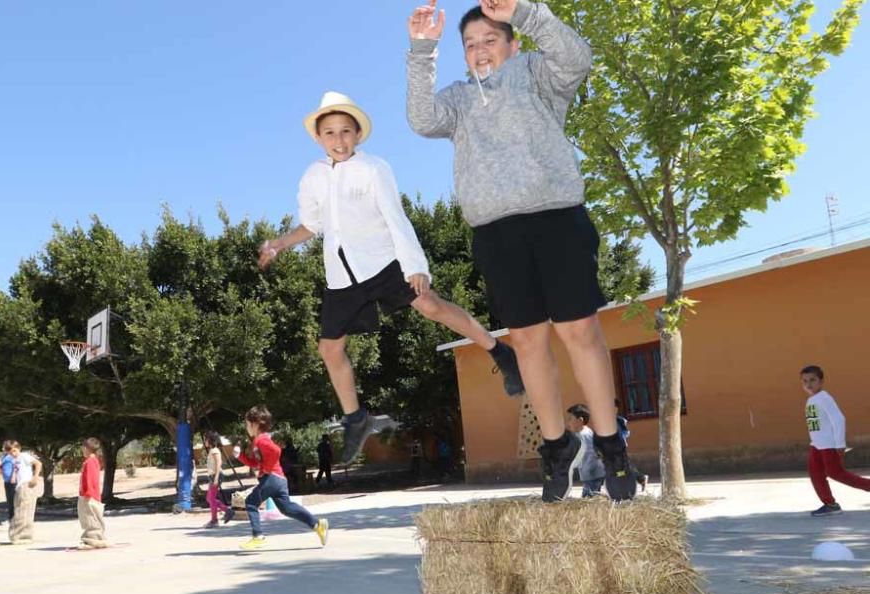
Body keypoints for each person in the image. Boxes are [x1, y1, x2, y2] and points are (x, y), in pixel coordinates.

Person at [405, 1, 635, 502]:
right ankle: (556, 446)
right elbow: (421, 120)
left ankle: (612, 445)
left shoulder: (537, 74)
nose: (480, 50)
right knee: (527, 341)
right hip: (496, 233)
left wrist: (527, 12)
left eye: (490, 39)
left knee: (579, 330)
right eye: (470, 44)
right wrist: (423, 49)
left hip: (556, 217)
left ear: (512, 43)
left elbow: (577, 57)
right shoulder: (460, 101)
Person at [258, 90, 524, 466]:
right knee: (329, 349)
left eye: (346, 131)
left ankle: (500, 351)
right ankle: (356, 418)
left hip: (383, 262)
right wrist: (280, 244)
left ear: (358, 135)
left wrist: (416, 265)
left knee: (431, 305)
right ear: (319, 138)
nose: (339, 140)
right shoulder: (312, 176)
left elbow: (395, 216)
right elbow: (311, 225)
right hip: (342, 275)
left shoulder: (374, 168)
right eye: (330, 133)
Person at [223, 406, 329, 550]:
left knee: (250, 502)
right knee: (287, 508)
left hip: (271, 478)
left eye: (247, 424)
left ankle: (258, 536)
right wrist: (240, 456)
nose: (246, 427)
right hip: (279, 479)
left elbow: (276, 451)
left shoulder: (261, 440)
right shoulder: (259, 441)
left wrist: (267, 468)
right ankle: (317, 525)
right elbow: (255, 463)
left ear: (255, 424)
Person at [801, 365, 870, 516]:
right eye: (805, 381)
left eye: (813, 380)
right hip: (816, 445)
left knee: (837, 473)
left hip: (829, 445)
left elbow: (839, 420)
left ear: (821, 381)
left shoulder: (824, 398)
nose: (808, 384)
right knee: (815, 473)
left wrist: (840, 444)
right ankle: (830, 504)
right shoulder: (812, 400)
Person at [565, 404, 605, 498]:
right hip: (590, 473)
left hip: (592, 473)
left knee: (589, 497)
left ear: (580, 421)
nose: (568, 422)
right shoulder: (583, 433)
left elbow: (591, 454)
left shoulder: (584, 435)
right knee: (591, 496)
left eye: (571, 419)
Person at [6, 441, 42, 545]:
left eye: (14, 450)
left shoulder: (24, 456)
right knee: (19, 510)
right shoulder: (15, 460)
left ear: (18, 449)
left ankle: (24, 536)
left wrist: (35, 477)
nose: (13, 453)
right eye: (10, 452)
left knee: (26, 511)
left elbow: (38, 463)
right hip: (19, 486)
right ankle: (17, 534)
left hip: (27, 484)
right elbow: (17, 472)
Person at [77, 437, 108, 549]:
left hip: (89, 495)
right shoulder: (93, 460)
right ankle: (96, 538)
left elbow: (90, 478)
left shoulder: (90, 461)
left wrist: (87, 493)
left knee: (90, 518)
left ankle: (92, 540)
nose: (82, 450)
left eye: (83, 447)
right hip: (90, 494)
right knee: (92, 517)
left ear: (87, 448)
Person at [203, 431, 230, 529]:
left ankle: (214, 520)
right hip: (212, 476)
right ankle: (227, 511)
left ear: (210, 440)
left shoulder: (215, 450)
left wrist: (216, 478)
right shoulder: (211, 450)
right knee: (209, 498)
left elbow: (219, 464)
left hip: (216, 475)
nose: (204, 441)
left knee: (211, 499)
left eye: (206, 439)